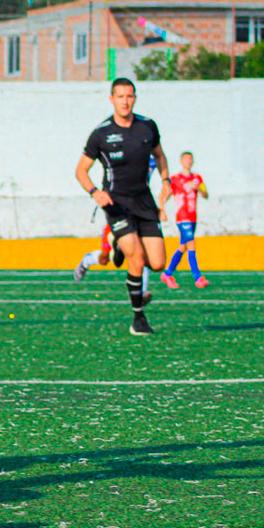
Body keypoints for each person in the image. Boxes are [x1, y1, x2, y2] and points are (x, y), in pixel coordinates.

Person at [75, 78, 169, 336]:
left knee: (158, 263)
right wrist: (95, 192)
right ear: (112, 99)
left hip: (145, 202)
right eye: (120, 96)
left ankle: (119, 245)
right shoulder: (101, 134)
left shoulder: (147, 127)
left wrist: (166, 180)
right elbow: (81, 171)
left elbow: (160, 155)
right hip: (117, 204)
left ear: (134, 98)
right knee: (136, 259)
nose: (125, 101)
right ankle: (138, 319)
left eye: (129, 96)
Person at [160, 151, 210, 289]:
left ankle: (168, 273)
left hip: (193, 217)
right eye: (186, 159)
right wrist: (162, 209)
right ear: (181, 161)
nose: (188, 161)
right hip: (183, 217)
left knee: (183, 246)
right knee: (191, 244)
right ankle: (198, 277)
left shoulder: (197, 178)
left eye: (190, 159)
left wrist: (198, 189)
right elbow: (164, 194)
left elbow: (206, 194)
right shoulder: (175, 178)